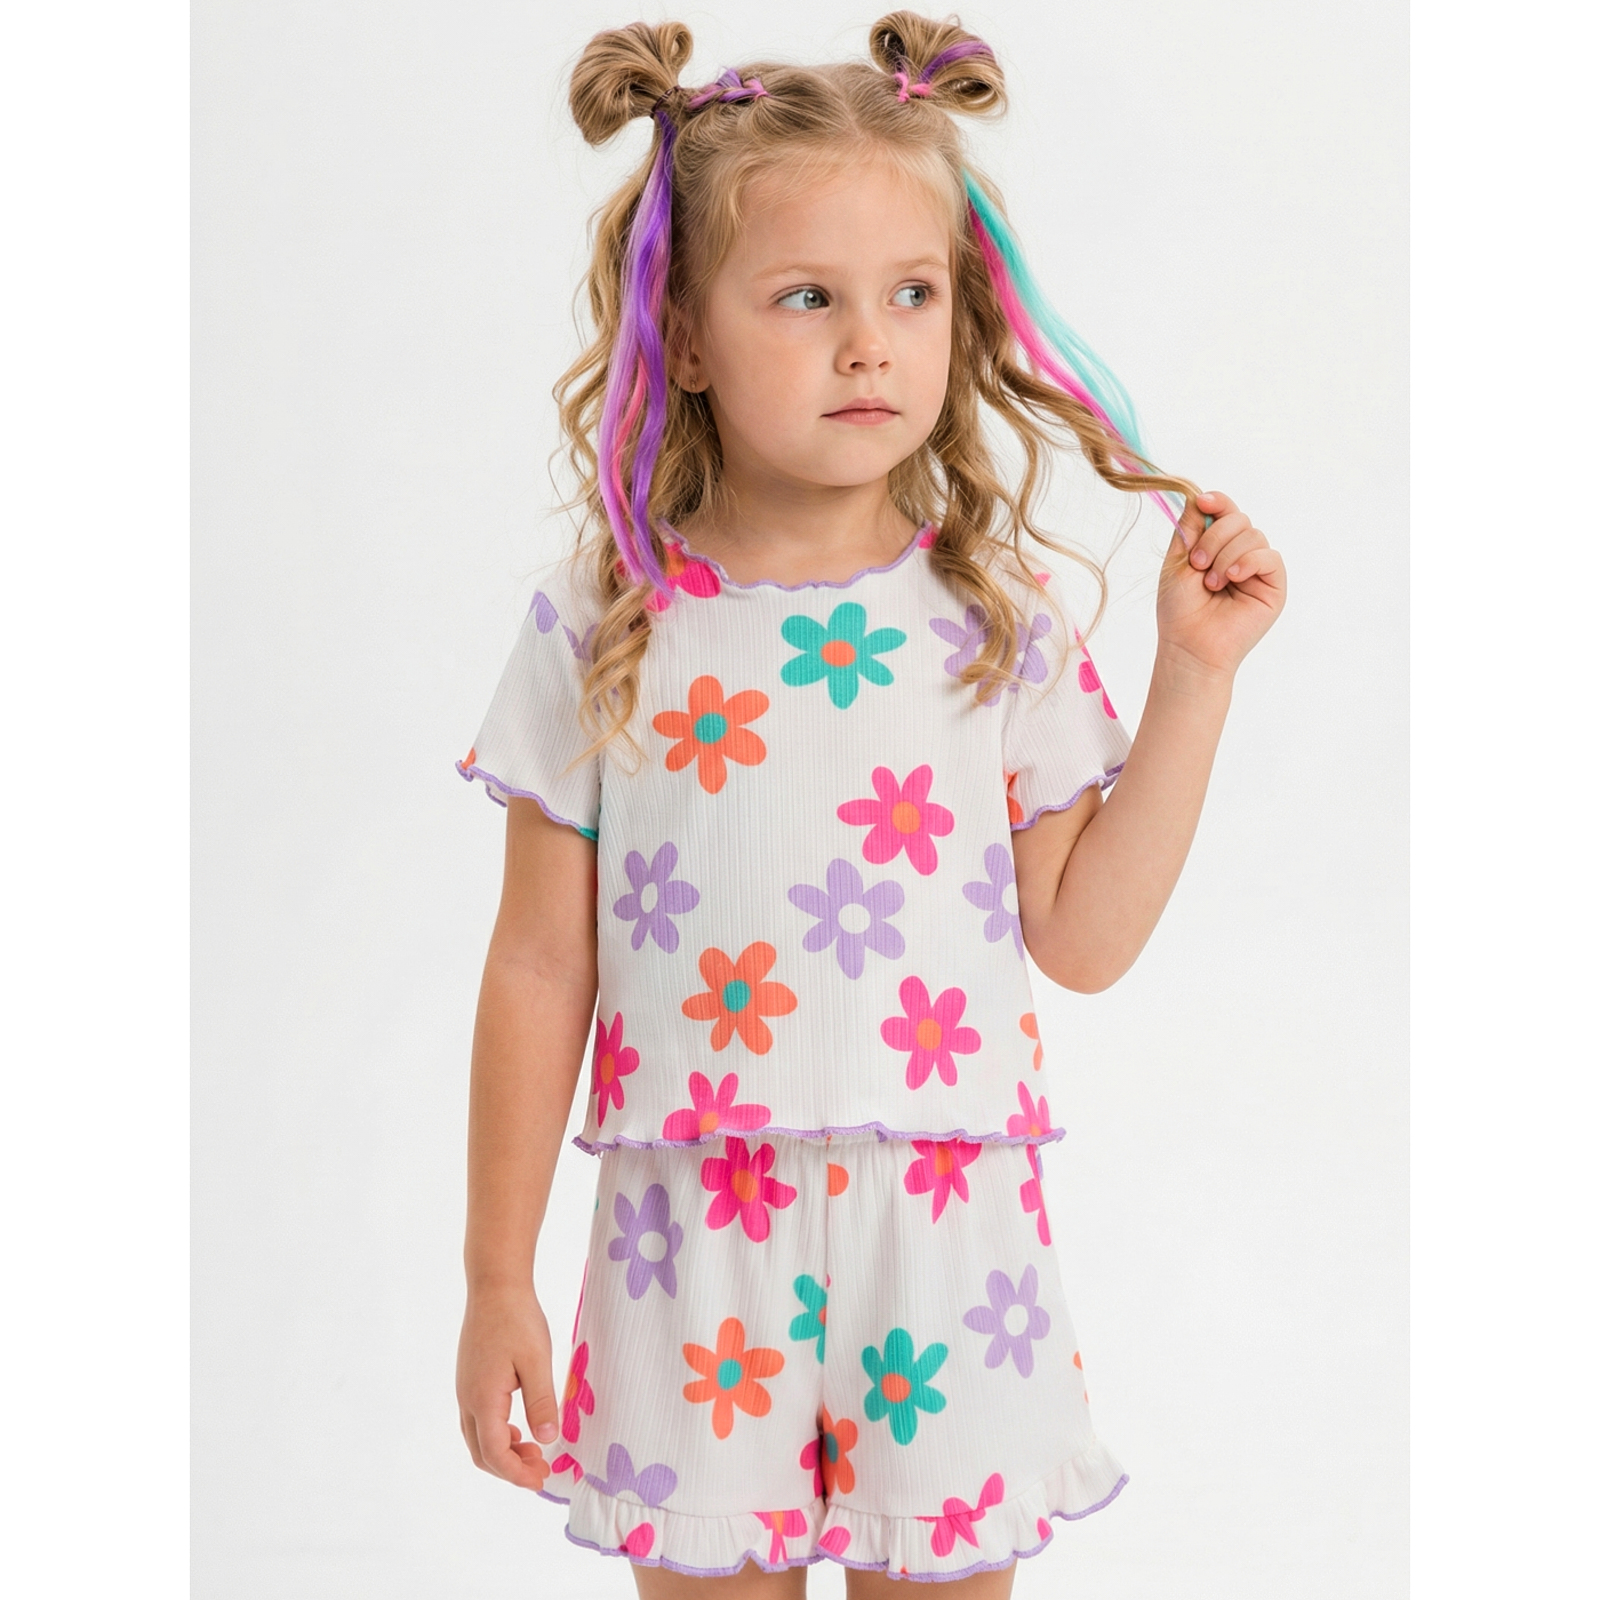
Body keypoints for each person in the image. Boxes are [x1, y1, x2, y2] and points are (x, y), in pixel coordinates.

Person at [453, 12, 1286, 1595]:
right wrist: (499, 1275)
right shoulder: (604, 621)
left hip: (946, 1237)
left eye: (912, 294)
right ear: (686, 334)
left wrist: (1194, 675)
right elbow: (539, 965)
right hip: (693, 1245)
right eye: (806, 297)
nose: (869, 346)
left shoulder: (998, 622)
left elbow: (1085, 939)